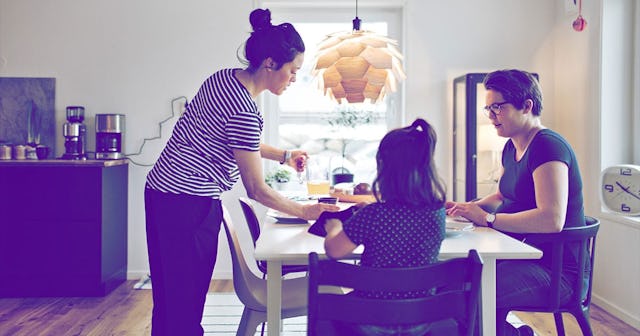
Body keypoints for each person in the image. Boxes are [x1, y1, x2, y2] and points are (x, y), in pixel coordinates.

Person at [143, 8, 338, 335]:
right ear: (270, 63)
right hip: (190, 205)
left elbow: (233, 138)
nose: (294, 79)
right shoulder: (246, 111)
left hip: (160, 193)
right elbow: (257, 190)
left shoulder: (223, 79)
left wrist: (284, 155)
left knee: (168, 299)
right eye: (292, 70)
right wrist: (307, 211)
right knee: (186, 306)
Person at [446, 69, 585, 336]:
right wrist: (465, 209)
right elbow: (501, 195)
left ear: (527, 105)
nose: (491, 116)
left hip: (556, 273)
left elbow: (551, 219)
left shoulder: (548, 147)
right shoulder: (512, 146)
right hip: (524, 257)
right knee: (456, 278)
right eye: (488, 108)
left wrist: (487, 219)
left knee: (468, 288)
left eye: (497, 107)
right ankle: (513, 333)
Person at [323, 118, 447, 335]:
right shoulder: (437, 212)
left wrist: (333, 227)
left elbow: (334, 250)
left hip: (371, 320)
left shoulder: (374, 214)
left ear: (384, 168)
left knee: (325, 308)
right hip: (420, 320)